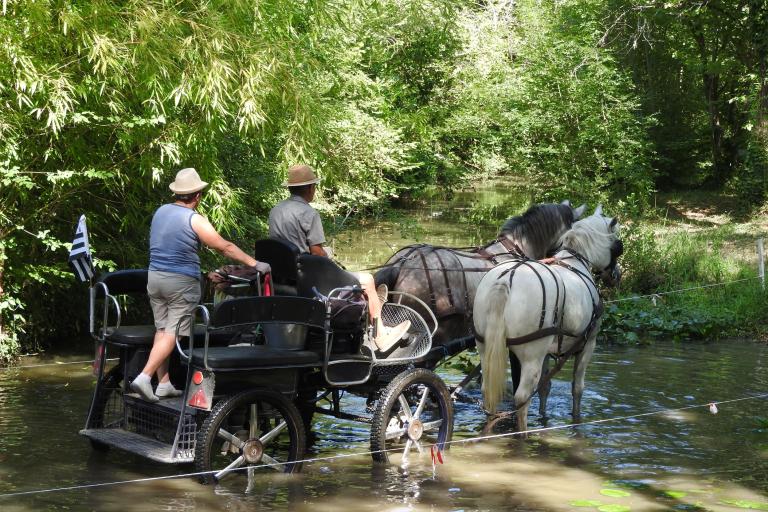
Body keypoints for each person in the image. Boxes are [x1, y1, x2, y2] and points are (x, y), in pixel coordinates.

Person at [130, 168, 270, 402]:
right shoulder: (194, 219)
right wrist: (255, 263)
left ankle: (163, 384)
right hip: (180, 282)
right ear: (197, 196)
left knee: (163, 330)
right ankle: (144, 376)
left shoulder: (161, 211)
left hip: (155, 278)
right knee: (173, 332)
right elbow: (224, 247)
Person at [268, 164, 410, 352]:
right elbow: (317, 253)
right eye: (314, 187)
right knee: (368, 280)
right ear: (310, 188)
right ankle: (381, 334)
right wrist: (328, 255)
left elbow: (288, 246)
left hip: (284, 278)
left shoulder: (275, 210)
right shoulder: (309, 213)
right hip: (308, 280)